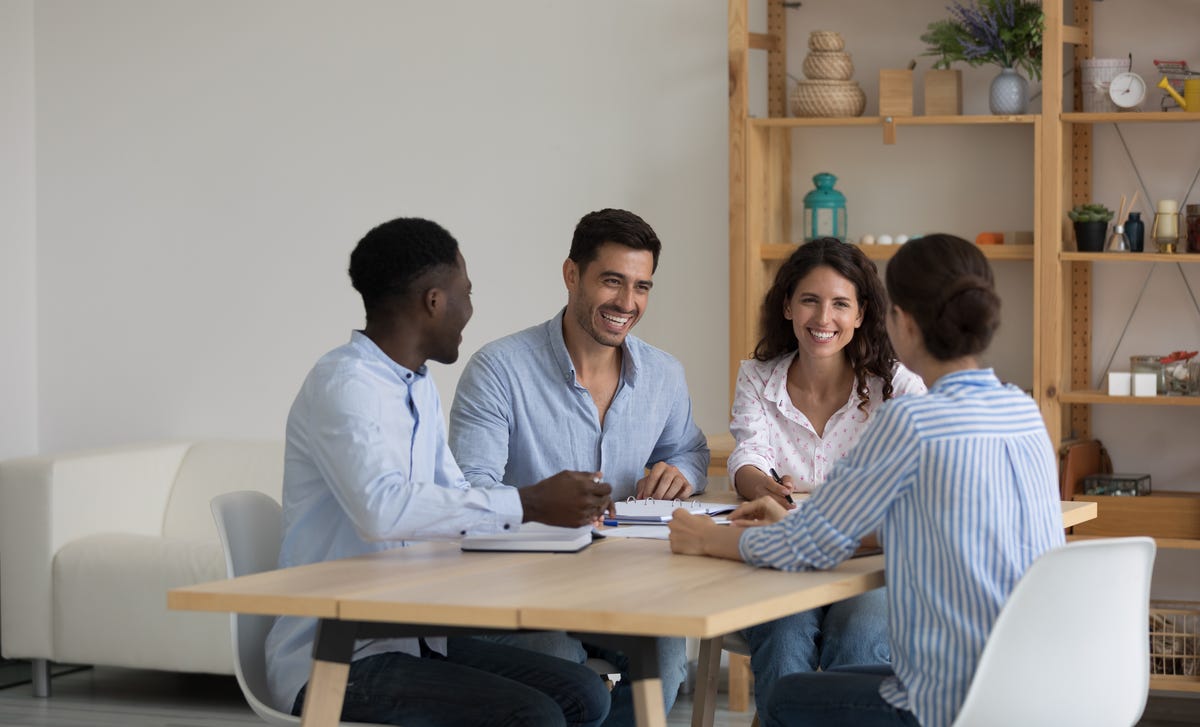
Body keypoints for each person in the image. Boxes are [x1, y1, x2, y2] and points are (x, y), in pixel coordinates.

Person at [669, 234, 1065, 727]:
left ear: (898, 320)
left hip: (947, 704)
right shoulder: (1023, 410)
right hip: (1041, 689)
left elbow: (807, 547)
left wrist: (705, 537)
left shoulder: (913, 420)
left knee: (789, 699)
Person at [266, 217, 614, 727]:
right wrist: (531, 501)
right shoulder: (345, 384)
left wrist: (562, 525)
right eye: (465, 294)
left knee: (586, 693)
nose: (470, 311)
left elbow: (456, 500)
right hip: (336, 658)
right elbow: (382, 511)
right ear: (434, 301)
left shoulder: (418, 386)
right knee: (533, 715)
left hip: (413, 637)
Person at [448, 208, 710, 725]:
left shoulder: (663, 373)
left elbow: (690, 450)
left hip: (626, 585)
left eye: (641, 287)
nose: (627, 303)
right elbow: (469, 491)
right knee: (561, 663)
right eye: (612, 282)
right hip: (521, 588)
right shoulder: (499, 370)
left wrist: (682, 472)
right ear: (572, 275)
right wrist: (543, 506)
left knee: (666, 650)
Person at [726, 238, 926, 716]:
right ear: (788, 307)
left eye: (840, 304)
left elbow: (916, 492)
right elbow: (746, 455)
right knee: (782, 631)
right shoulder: (757, 377)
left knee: (860, 634)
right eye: (810, 301)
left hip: (870, 564)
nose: (823, 318)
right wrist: (764, 487)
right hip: (786, 561)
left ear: (860, 314)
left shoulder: (898, 388)